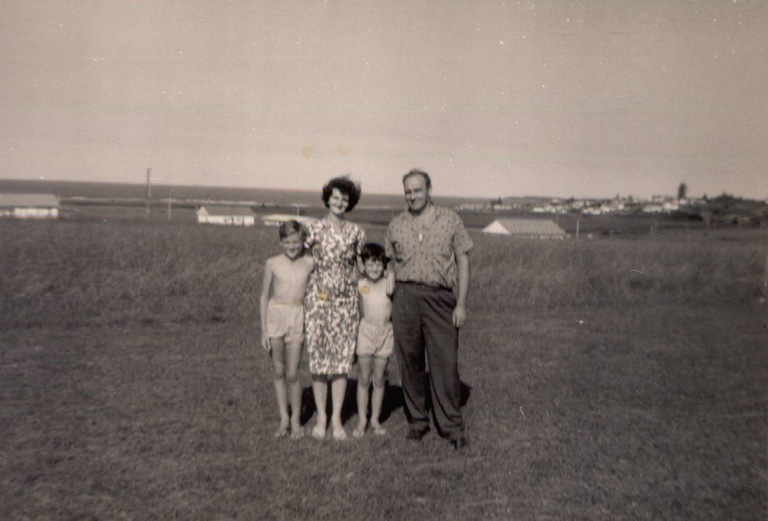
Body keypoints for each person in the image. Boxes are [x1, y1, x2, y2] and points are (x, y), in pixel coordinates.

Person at [385, 169, 472, 450]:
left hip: (440, 298)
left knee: (444, 362)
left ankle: (451, 427)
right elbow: (389, 263)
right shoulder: (396, 224)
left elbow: (463, 261)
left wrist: (461, 303)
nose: (413, 196)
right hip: (405, 297)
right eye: (408, 192)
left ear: (429, 189)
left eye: (418, 190)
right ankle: (417, 422)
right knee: (409, 362)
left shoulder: (450, 220)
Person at [304, 175, 366, 441]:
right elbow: (302, 262)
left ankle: (338, 421)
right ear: (328, 199)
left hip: (345, 304)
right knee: (319, 362)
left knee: (341, 364)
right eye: (336, 197)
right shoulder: (313, 229)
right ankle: (321, 418)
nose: (340, 202)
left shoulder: (357, 232)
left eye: (345, 199)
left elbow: (362, 268)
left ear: (349, 202)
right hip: (318, 301)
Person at [259, 220, 314, 439]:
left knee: (293, 373)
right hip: (275, 316)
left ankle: (296, 421)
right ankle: (284, 418)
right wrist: (264, 331)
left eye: (296, 242)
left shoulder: (310, 262)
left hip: (297, 315)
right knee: (279, 371)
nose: (292, 246)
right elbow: (264, 296)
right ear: (281, 242)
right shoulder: (272, 263)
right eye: (288, 242)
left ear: (303, 242)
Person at [352, 243, 394, 438]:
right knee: (364, 378)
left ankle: (375, 418)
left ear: (384, 265)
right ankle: (362, 419)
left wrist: (391, 272)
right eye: (370, 264)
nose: (374, 268)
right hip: (366, 333)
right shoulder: (361, 285)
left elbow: (394, 273)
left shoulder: (389, 284)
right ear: (364, 265)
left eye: (378, 264)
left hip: (385, 333)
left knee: (379, 379)